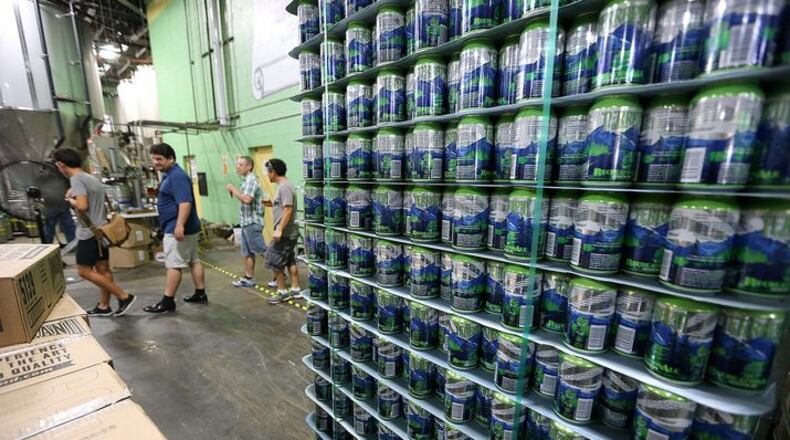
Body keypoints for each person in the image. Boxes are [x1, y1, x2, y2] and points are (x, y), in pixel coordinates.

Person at [52, 147, 136, 316]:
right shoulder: (91, 178)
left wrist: (70, 199)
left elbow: (83, 206)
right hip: (102, 231)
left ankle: (123, 296)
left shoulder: (76, 179)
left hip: (89, 233)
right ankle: (104, 306)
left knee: (83, 271)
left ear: (61, 165)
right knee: (103, 269)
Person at [144, 143, 207, 313]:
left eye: (159, 159)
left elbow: (185, 203)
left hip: (178, 229)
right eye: (154, 159)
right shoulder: (170, 174)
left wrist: (179, 225)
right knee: (194, 260)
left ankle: (168, 301)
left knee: (173, 264)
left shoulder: (176, 176)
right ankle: (200, 292)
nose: (156, 162)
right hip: (187, 227)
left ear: (170, 159)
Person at [225, 156, 270, 288]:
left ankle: (279, 273)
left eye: (241, 164)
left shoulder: (251, 180)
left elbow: (247, 199)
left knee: (262, 250)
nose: (238, 167)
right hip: (245, 222)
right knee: (247, 252)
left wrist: (233, 189)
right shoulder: (245, 181)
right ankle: (248, 278)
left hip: (252, 222)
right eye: (237, 164)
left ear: (249, 166)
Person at [264, 159, 301, 304]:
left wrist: (279, 230)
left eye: (268, 172)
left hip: (285, 233)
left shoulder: (284, 187)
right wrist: (272, 204)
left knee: (274, 261)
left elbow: (288, 209)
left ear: (274, 172)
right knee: (289, 259)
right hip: (289, 233)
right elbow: (283, 205)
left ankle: (282, 292)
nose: (267, 175)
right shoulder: (285, 185)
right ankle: (296, 288)